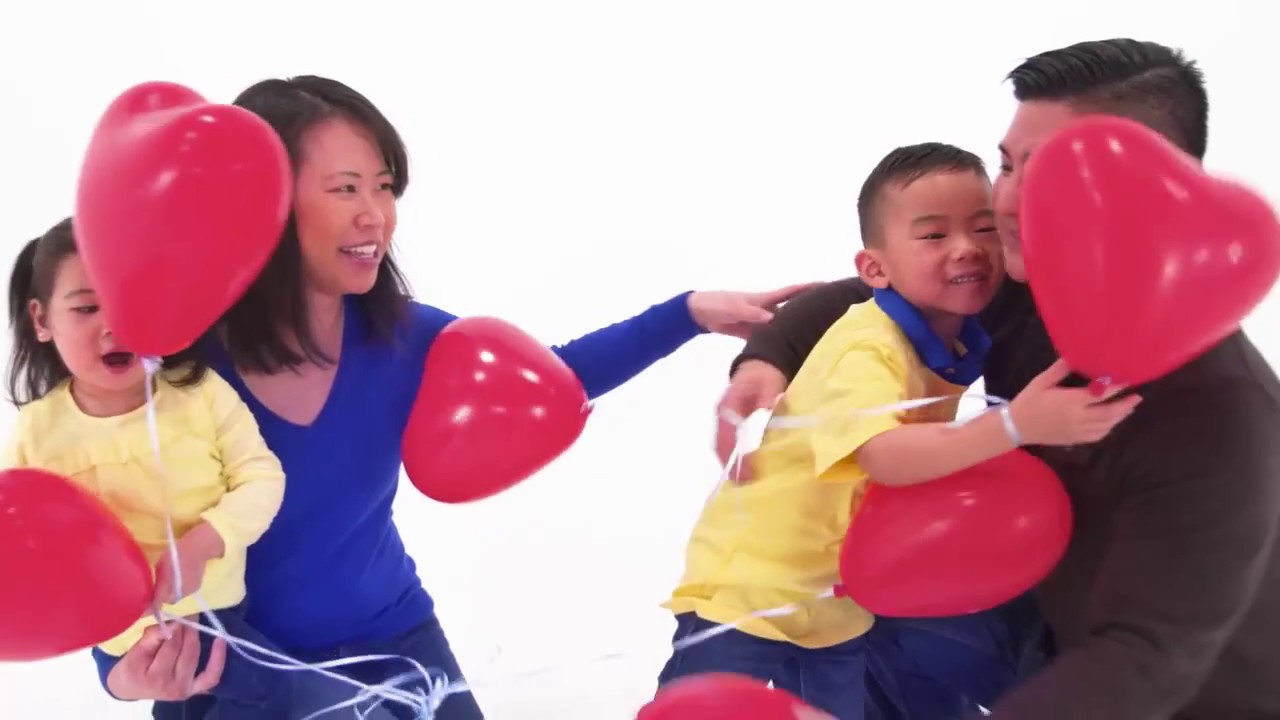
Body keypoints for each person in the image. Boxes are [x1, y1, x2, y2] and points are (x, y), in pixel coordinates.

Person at [84, 75, 809, 720]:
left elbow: (550, 378)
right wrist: (118, 675)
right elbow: (105, 531)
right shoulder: (176, 369)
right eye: (346, 189)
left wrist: (687, 314)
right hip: (242, 673)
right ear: (265, 203)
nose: (376, 215)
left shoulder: (400, 337)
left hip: (396, 641)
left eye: (384, 187)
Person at [717, 39, 1280, 719]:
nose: (1006, 201)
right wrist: (763, 362)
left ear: (1154, 187)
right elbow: (877, 297)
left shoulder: (1222, 412)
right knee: (857, 592)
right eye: (1008, 165)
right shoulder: (1024, 288)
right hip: (1038, 620)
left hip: (1177, 695)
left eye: (1048, 174)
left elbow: (1146, 661)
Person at [657, 142, 1138, 719]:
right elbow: (883, 454)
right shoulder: (869, 347)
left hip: (833, 606)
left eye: (983, 227)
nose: (966, 247)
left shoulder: (950, 334)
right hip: (748, 592)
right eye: (934, 235)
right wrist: (1015, 424)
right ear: (875, 270)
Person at [3, 219, 290, 718]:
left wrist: (203, 543)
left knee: (284, 695)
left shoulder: (200, 394)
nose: (114, 326)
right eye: (87, 308)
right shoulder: (36, 433)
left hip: (220, 615)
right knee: (288, 695)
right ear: (41, 319)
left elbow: (262, 478)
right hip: (127, 643)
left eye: (134, 304)